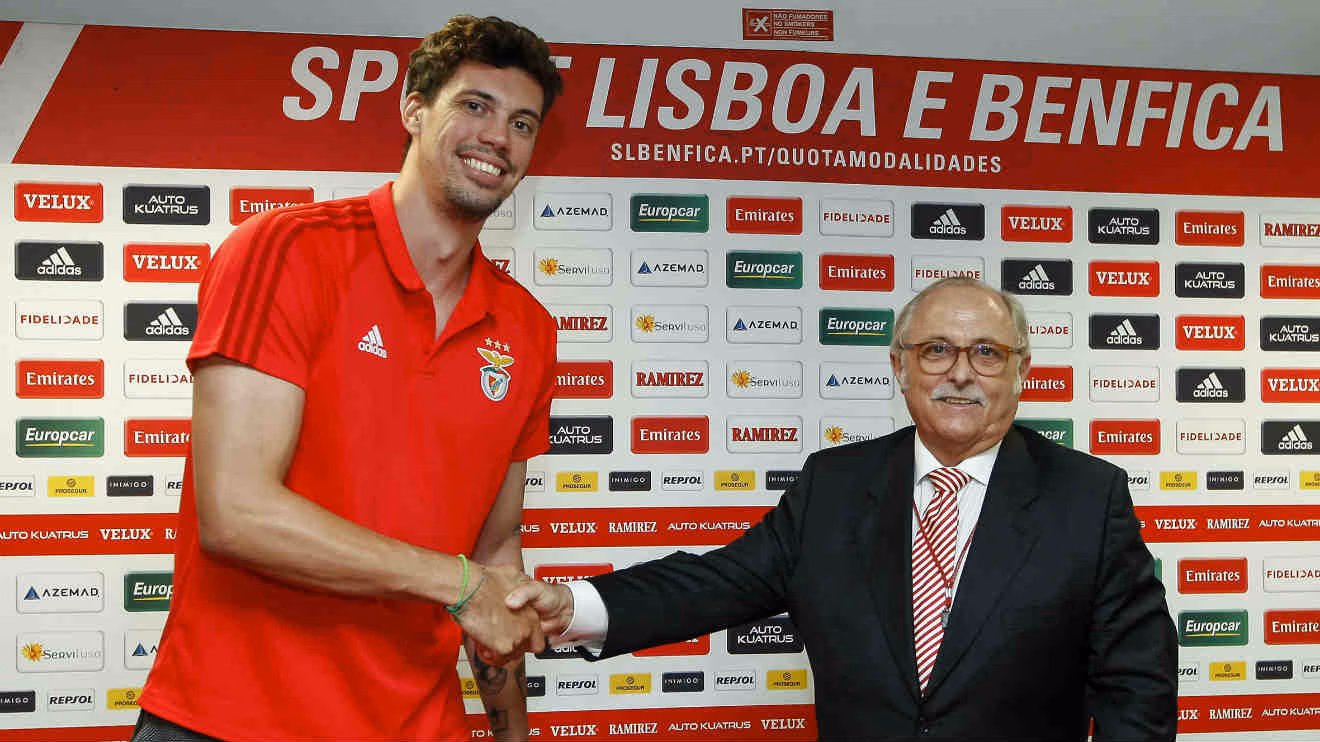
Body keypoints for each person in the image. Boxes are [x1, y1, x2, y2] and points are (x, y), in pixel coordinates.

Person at [134, 16, 563, 742]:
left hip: (415, 726)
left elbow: (495, 553)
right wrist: (458, 586)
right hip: (231, 724)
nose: (499, 137)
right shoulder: (287, 251)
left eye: (522, 122)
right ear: (413, 108)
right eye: (474, 106)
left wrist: (514, 734)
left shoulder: (527, 328)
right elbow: (236, 511)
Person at [509, 277, 1178, 741]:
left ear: (1021, 370)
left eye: (988, 353)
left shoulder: (1088, 498)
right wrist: (573, 608)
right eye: (936, 350)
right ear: (900, 366)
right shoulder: (833, 485)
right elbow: (714, 585)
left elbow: (1138, 687)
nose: (961, 372)